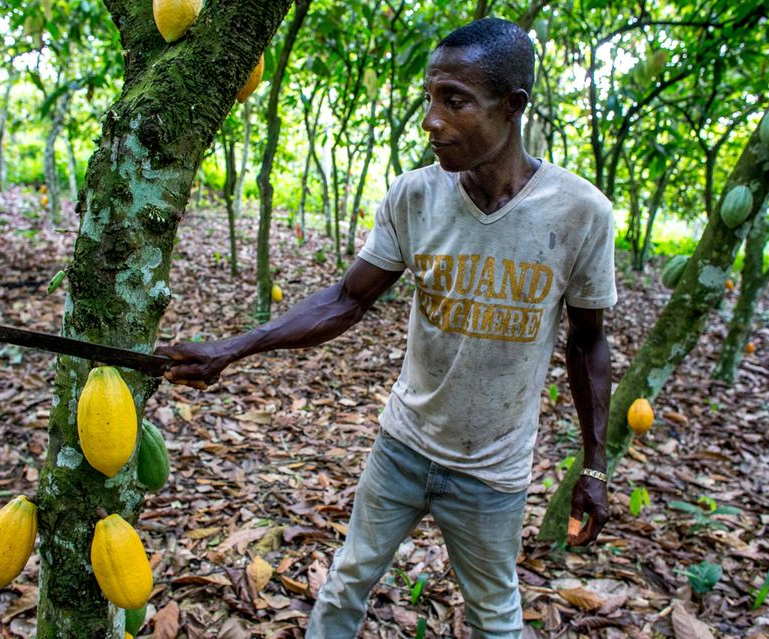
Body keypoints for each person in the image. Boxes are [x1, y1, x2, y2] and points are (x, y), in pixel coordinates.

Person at [157, 17, 616, 639]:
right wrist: (232, 349)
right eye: (429, 98)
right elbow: (347, 300)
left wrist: (593, 465)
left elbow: (588, 341)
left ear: (513, 108)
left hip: (492, 470)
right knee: (348, 581)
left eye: (454, 101)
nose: (432, 119)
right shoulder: (414, 196)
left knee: (495, 616)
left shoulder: (580, 211)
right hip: (402, 444)